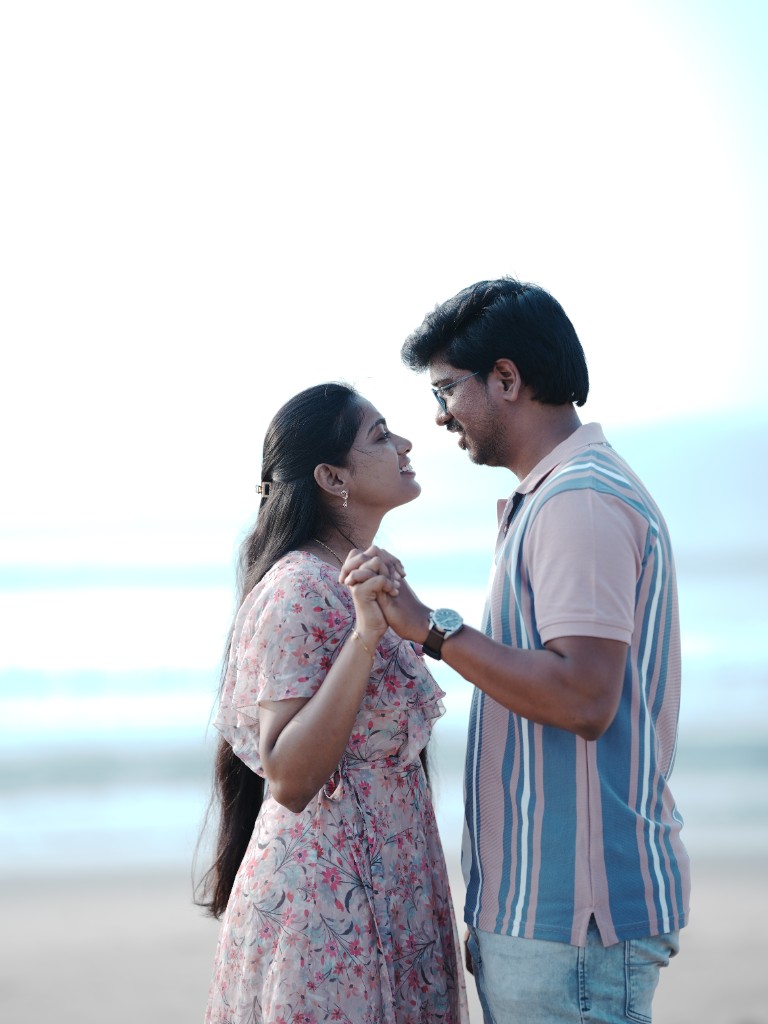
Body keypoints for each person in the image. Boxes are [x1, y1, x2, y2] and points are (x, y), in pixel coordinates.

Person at [344, 278, 690, 1023]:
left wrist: (431, 631)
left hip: (574, 923)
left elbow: (582, 699)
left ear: (506, 378)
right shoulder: (557, 495)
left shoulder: (579, 500)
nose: (438, 418)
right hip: (548, 918)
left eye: (445, 391)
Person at [196, 382, 468, 1024]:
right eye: (379, 436)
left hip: (392, 881)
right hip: (326, 904)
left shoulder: (360, 571)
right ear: (330, 477)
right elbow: (289, 776)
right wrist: (366, 637)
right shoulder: (301, 586)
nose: (404, 444)